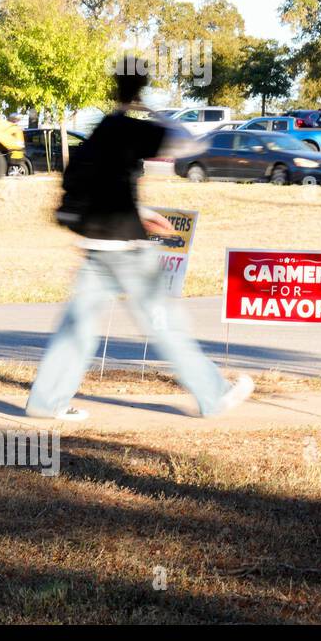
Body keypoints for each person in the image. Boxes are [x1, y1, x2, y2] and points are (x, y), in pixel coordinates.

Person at [26, 55, 254, 421]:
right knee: (166, 327)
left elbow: (105, 185)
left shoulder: (102, 130)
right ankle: (214, 395)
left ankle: (46, 402)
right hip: (128, 251)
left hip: (94, 246)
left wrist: (141, 212)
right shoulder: (134, 129)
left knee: (77, 329)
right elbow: (191, 144)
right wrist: (150, 109)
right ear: (141, 87)